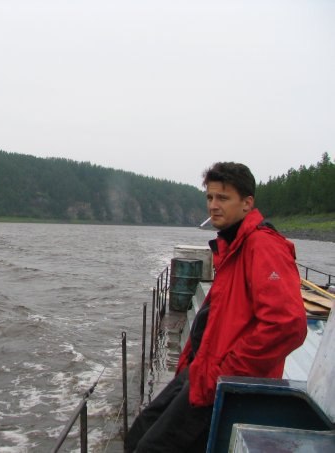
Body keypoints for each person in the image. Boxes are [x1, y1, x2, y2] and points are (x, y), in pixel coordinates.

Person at [124, 162, 308, 453]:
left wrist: (225, 373)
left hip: (223, 380)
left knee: (151, 447)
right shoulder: (233, 247)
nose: (213, 205)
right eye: (209, 197)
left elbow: (287, 325)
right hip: (202, 369)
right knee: (138, 434)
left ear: (247, 203)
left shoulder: (262, 246)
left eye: (223, 198)